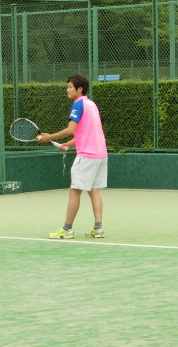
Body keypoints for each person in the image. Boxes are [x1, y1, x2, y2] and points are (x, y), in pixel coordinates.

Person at [39, 74, 108, 239]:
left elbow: (70, 130)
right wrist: (68, 145)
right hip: (101, 154)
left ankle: (67, 229)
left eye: (70, 87)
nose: (67, 90)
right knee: (94, 190)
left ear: (80, 89)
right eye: (67, 87)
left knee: (74, 191)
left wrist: (49, 137)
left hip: (87, 156)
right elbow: (86, 132)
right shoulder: (91, 104)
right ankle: (98, 229)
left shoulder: (78, 104)